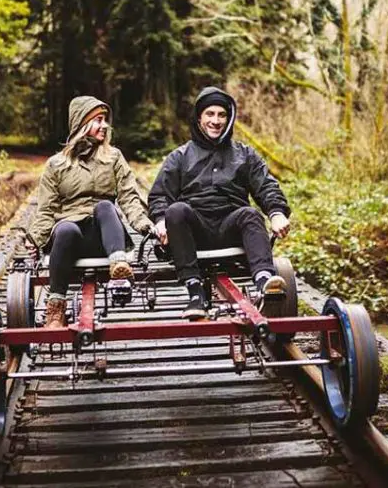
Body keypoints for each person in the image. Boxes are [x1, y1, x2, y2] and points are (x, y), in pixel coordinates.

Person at [148, 86, 291, 320]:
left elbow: (265, 185)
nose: (216, 121)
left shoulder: (244, 154)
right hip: (195, 232)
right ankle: (194, 290)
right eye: (210, 114)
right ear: (199, 118)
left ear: (229, 118)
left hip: (231, 226)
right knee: (175, 210)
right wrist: (161, 220)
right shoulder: (180, 156)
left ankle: (265, 280)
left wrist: (276, 213)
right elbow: (159, 195)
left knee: (250, 214)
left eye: (222, 115)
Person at [27, 96, 154, 329]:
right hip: (70, 239)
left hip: (104, 236)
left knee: (105, 206)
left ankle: (119, 267)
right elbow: (46, 210)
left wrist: (144, 224)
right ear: (81, 124)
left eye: (105, 120)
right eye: (98, 120)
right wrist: (35, 239)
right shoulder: (56, 165)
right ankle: (55, 309)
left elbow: (128, 198)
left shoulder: (113, 157)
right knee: (65, 228)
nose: (104, 126)